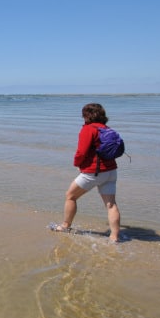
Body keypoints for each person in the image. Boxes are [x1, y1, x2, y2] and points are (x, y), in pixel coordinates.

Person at [53, 103, 122, 242]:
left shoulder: (88, 129)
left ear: (86, 115)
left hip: (94, 172)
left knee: (70, 196)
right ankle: (114, 237)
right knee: (111, 204)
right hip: (111, 171)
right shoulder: (106, 129)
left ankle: (65, 226)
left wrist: (77, 164)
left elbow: (81, 151)